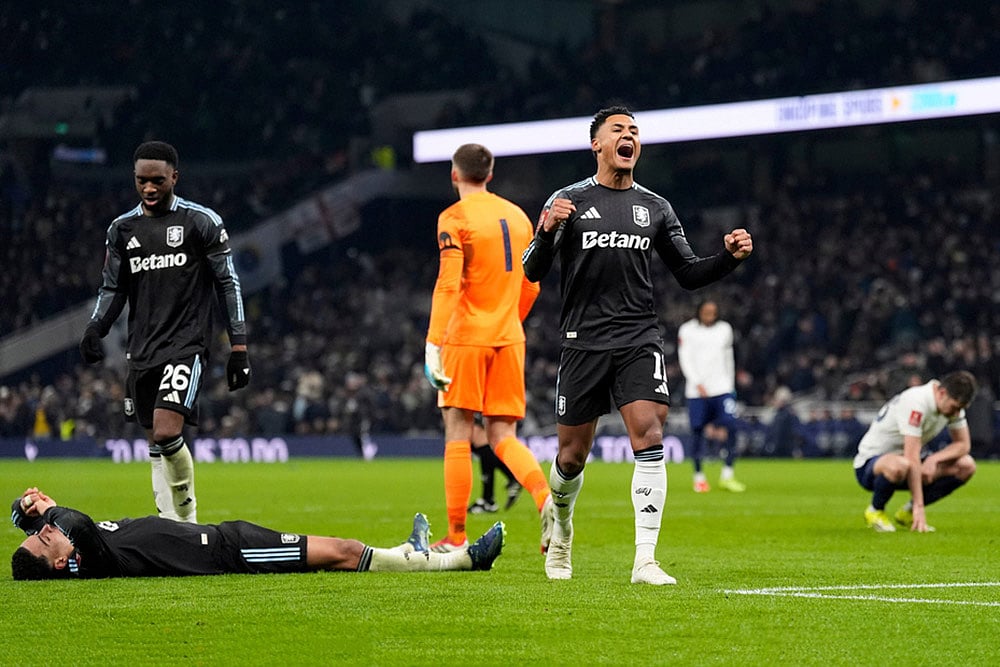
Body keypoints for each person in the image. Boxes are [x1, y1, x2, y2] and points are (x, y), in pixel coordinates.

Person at [522, 106, 753, 584]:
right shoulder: (567, 200)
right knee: (570, 457)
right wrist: (546, 231)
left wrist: (727, 259)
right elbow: (532, 270)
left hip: (637, 337)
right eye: (618, 130)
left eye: (634, 131)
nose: (629, 137)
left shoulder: (657, 206)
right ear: (597, 145)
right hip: (582, 342)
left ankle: (645, 559)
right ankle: (560, 531)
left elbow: (688, 273)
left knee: (649, 437)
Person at [78, 141, 251, 524]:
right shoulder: (121, 229)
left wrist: (238, 346)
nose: (149, 188)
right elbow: (113, 287)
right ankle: (167, 524)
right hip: (141, 349)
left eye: (158, 180)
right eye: (142, 181)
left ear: (175, 176)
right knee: (153, 443)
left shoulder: (201, 221)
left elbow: (228, 283)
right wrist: (96, 327)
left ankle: (187, 521)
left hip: (186, 345)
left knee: (166, 431)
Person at [424, 143, 552, 553]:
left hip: (466, 337)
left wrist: (432, 343)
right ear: (491, 174)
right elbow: (532, 283)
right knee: (503, 436)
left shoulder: (454, 218)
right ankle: (546, 500)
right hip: (510, 336)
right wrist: (508, 320)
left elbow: (448, 284)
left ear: (454, 174)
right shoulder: (518, 217)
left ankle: (457, 534)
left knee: (459, 432)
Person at [10, 488, 504, 580]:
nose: (49, 529)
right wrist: (51, 511)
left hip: (225, 535)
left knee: (344, 550)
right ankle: (459, 562)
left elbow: (49, 524)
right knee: (344, 553)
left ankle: (408, 552)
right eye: (46, 536)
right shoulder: (93, 559)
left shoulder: (72, 552)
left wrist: (25, 511)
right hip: (231, 553)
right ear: (58, 562)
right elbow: (75, 521)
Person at [853, 371, 978, 533]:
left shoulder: (951, 405)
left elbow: (963, 444)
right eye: (955, 407)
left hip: (908, 459)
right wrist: (921, 507)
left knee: (966, 465)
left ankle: (907, 512)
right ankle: (875, 510)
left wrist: (934, 459)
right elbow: (911, 458)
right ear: (942, 393)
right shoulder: (916, 402)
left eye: (960, 409)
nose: (956, 413)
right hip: (870, 464)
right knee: (901, 465)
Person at [677, 299, 745, 493]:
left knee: (732, 426)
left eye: (713, 312)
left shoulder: (724, 329)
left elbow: (728, 358)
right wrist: (697, 382)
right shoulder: (687, 330)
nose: (709, 315)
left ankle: (727, 475)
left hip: (722, 388)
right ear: (699, 312)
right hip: (697, 391)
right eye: (706, 311)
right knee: (697, 432)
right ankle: (699, 477)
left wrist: (730, 385)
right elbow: (685, 358)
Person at [468, 418, 523, 514]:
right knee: (477, 442)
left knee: (480, 439)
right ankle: (512, 478)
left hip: (481, 405)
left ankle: (488, 500)